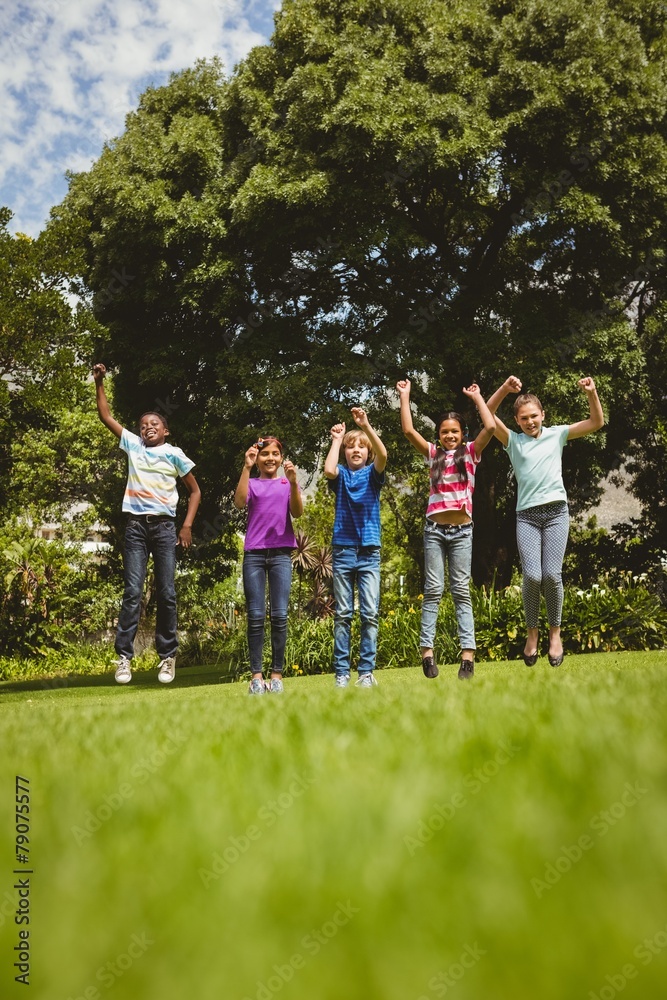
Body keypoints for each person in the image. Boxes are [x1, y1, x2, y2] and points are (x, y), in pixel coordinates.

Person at [93, 363, 201, 685]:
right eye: (143, 425)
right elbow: (105, 417)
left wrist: (186, 526)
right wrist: (99, 383)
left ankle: (167, 656)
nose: (147, 427)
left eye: (154, 424)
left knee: (166, 593)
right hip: (136, 529)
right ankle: (124, 658)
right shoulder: (134, 446)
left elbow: (195, 492)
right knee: (132, 592)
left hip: (165, 529)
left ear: (165, 431)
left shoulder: (174, 454)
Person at [486, 375, 604, 667]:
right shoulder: (513, 441)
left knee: (552, 575)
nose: (530, 422)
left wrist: (591, 392)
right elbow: (486, 412)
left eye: (534, 416)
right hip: (527, 517)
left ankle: (555, 634)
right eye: (524, 418)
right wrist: (505, 389)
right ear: (516, 420)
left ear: (543, 415)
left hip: (556, 514)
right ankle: (532, 634)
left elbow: (596, 422)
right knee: (532, 576)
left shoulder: (557, 434)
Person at [397, 379, 495, 680]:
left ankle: (468, 657)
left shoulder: (471, 453)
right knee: (433, 591)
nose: (450, 435)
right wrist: (405, 396)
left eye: (454, 431)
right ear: (438, 436)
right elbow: (408, 431)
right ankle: (427, 653)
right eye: (444, 432)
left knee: (461, 591)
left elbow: (491, 427)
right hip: (435, 531)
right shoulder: (433, 455)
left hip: (462, 532)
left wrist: (478, 398)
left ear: (462, 434)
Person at [324, 408, 388, 688]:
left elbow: (383, 455)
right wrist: (337, 439)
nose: (356, 450)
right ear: (345, 453)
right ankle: (341, 673)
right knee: (343, 614)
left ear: (368, 452)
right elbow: (328, 469)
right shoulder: (340, 476)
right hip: (343, 551)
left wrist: (366, 426)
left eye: (361, 446)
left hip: (369, 552)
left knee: (370, 613)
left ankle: (365, 673)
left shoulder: (373, 475)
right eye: (351, 447)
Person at [234, 436, 303, 694]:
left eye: (275, 454)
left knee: (280, 616)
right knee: (255, 616)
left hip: (281, 555)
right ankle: (256, 677)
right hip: (254, 554)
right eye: (265, 454)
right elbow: (239, 502)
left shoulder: (287, 483)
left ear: (281, 458)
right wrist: (246, 467)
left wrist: (293, 483)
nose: (270, 458)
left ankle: (276, 676)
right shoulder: (252, 483)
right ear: (258, 458)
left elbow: (297, 512)